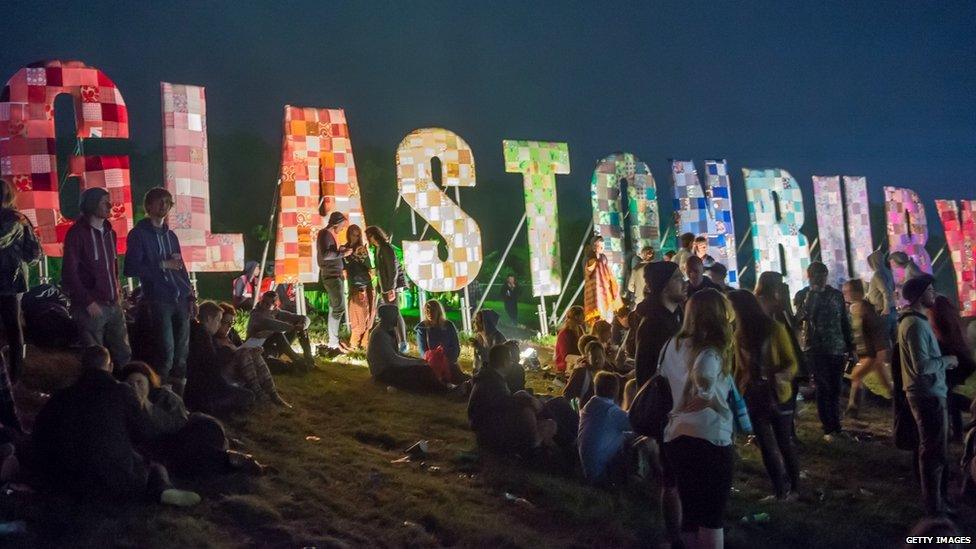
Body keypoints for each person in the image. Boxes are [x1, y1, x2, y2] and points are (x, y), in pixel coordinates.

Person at [30, 346, 200, 506]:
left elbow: (39, 433)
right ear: (110, 366)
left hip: (68, 480)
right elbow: (145, 432)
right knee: (154, 466)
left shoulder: (62, 396)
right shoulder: (122, 392)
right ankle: (162, 489)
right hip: (116, 481)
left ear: (82, 367)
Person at [659, 289, 735, 549]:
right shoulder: (712, 350)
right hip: (710, 435)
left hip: (677, 434)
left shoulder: (673, 344)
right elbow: (705, 382)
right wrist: (715, 403)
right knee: (712, 515)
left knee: (690, 513)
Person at [121, 361, 267, 477]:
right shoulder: (126, 407)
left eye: (139, 382)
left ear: (148, 381)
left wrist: (147, 405)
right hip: (176, 448)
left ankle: (241, 460)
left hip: (198, 428)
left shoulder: (165, 397)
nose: (135, 387)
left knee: (189, 448)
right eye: (130, 384)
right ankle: (235, 460)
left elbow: (178, 424)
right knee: (186, 461)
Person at [727, 289, 799, 501]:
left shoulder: (775, 330)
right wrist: (739, 389)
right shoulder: (739, 334)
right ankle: (779, 491)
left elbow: (791, 362)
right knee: (766, 445)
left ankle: (794, 489)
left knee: (784, 442)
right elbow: (740, 368)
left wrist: (777, 378)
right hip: (754, 395)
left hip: (778, 394)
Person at [123, 188, 194, 395]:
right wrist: (162, 265)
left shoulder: (171, 235)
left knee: (182, 354)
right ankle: (157, 398)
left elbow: (180, 267)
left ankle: (178, 401)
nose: (164, 205)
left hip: (180, 298)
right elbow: (130, 268)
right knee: (166, 353)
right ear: (149, 206)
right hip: (158, 299)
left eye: (168, 202)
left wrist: (190, 295)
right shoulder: (138, 234)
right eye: (160, 201)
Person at [898, 274, 958, 516]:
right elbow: (921, 366)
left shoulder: (915, 322)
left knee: (934, 451)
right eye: (930, 290)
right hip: (927, 395)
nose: (933, 293)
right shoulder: (914, 325)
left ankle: (937, 503)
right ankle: (935, 508)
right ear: (918, 295)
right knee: (933, 453)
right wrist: (947, 361)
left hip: (929, 392)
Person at [62, 187, 131, 371]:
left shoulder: (110, 233)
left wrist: (118, 292)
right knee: (95, 358)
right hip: (91, 306)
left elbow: (113, 266)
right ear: (92, 205)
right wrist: (87, 301)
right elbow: (69, 272)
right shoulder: (77, 233)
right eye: (104, 202)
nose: (110, 205)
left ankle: (126, 393)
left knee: (123, 352)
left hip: (112, 302)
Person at [468, 344, 562, 459]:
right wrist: (528, 401)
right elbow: (506, 407)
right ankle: (535, 449)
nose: (512, 364)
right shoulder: (494, 383)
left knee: (541, 416)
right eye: (511, 361)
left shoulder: (488, 378)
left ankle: (543, 447)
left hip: (487, 430)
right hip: (492, 435)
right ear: (505, 361)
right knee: (548, 424)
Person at [794, 262, 853, 440]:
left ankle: (836, 425)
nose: (821, 278)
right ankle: (828, 427)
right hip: (815, 349)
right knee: (823, 387)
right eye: (816, 275)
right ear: (809, 276)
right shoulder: (804, 294)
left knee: (835, 388)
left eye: (824, 274)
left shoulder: (835, 295)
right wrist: (812, 296)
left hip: (836, 347)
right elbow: (801, 317)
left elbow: (844, 320)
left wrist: (850, 346)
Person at [0, 178, 40, 388]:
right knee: (13, 328)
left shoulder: (13, 220)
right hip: (13, 281)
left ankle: (14, 377)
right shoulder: (19, 218)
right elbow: (34, 253)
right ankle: (14, 375)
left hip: (9, 282)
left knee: (13, 329)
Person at [185, 301, 254, 416]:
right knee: (247, 395)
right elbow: (213, 370)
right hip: (204, 393)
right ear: (208, 319)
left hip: (199, 389)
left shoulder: (196, 332)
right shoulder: (203, 337)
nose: (218, 325)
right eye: (218, 320)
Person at [214, 303, 290, 407]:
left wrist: (254, 348)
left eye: (232, 323)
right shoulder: (212, 340)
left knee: (254, 354)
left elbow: (242, 346)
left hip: (244, 368)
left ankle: (273, 394)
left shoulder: (231, 334)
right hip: (228, 374)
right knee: (244, 353)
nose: (229, 327)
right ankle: (259, 393)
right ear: (217, 321)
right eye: (226, 323)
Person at [578, 371, 645, 486]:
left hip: (589, 468)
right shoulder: (611, 411)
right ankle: (642, 478)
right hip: (602, 473)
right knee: (644, 440)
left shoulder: (590, 406)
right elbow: (639, 425)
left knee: (630, 438)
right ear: (615, 390)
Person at [368, 304, 449, 392]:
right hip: (383, 372)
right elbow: (394, 360)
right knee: (421, 372)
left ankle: (445, 387)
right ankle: (445, 391)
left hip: (390, 367)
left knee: (425, 369)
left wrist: (416, 360)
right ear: (388, 317)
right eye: (395, 316)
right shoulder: (380, 335)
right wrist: (417, 362)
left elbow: (397, 354)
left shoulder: (388, 330)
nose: (397, 318)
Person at [842, 279, 893, 418]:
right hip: (866, 353)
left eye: (847, 291)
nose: (845, 294)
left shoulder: (866, 310)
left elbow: (875, 331)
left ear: (857, 292)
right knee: (884, 381)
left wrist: (880, 351)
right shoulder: (854, 309)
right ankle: (897, 399)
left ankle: (853, 407)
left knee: (856, 375)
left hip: (872, 353)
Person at [928, 295, 975, 442]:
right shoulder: (953, 323)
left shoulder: (939, 326)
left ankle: (953, 431)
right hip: (962, 364)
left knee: (948, 397)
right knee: (949, 397)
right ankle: (957, 433)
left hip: (955, 365)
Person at [634, 262, 686, 386]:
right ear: (664, 286)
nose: (684, 283)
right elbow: (645, 374)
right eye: (677, 278)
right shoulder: (652, 326)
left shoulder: (678, 316)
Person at [248, 291, 314, 370]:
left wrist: (302, 325)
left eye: (267, 304)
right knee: (277, 334)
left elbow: (304, 318)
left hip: (275, 347)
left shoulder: (277, 312)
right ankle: (298, 360)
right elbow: (273, 324)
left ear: (275, 306)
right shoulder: (256, 314)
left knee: (301, 327)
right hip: (260, 349)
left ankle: (309, 359)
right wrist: (292, 327)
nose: (264, 306)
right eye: (263, 302)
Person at [366, 226, 407, 346]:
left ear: (376, 235)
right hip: (384, 285)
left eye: (370, 236)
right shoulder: (378, 249)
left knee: (395, 313)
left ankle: (402, 342)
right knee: (391, 313)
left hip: (389, 286)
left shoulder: (385, 248)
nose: (370, 239)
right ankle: (396, 340)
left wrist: (391, 288)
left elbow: (393, 268)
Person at [317, 211, 351, 352]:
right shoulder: (324, 234)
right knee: (338, 308)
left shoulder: (329, 235)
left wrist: (339, 250)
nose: (342, 229)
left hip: (335, 275)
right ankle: (333, 341)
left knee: (335, 307)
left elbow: (330, 253)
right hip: (331, 276)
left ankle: (334, 340)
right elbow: (325, 255)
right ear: (336, 223)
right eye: (342, 226)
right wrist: (342, 253)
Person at [415, 299, 467, 384]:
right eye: (427, 310)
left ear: (438, 311)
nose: (430, 313)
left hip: (449, 361)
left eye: (432, 310)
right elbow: (423, 351)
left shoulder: (448, 326)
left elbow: (455, 347)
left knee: (461, 379)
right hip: (431, 364)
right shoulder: (422, 328)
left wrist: (447, 360)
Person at [344, 224, 375, 350]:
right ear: (348, 234)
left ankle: (362, 343)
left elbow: (369, 267)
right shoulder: (345, 249)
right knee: (357, 316)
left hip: (363, 284)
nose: (355, 237)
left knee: (366, 316)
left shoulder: (360, 249)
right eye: (353, 234)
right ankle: (356, 343)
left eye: (357, 235)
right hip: (354, 285)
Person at [583, 236, 623, 326]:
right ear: (593, 247)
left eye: (603, 246)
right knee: (598, 316)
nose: (602, 248)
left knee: (608, 315)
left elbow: (607, 274)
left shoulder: (603, 258)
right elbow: (588, 271)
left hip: (605, 290)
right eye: (599, 246)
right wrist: (595, 261)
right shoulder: (589, 259)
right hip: (595, 291)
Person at [564, 340, 610, 408]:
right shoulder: (581, 373)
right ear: (587, 358)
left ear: (604, 357)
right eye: (594, 358)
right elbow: (566, 395)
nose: (597, 360)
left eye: (600, 357)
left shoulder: (608, 370)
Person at [866, 250, 897, 340]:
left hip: (882, 310)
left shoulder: (878, 274)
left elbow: (885, 291)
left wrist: (886, 308)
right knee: (893, 336)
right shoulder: (888, 271)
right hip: (890, 308)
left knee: (885, 338)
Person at [554, 306, 585, 374]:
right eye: (582, 315)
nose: (584, 318)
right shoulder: (564, 334)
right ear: (576, 317)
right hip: (566, 365)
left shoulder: (579, 329)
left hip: (577, 362)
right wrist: (581, 359)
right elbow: (566, 356)